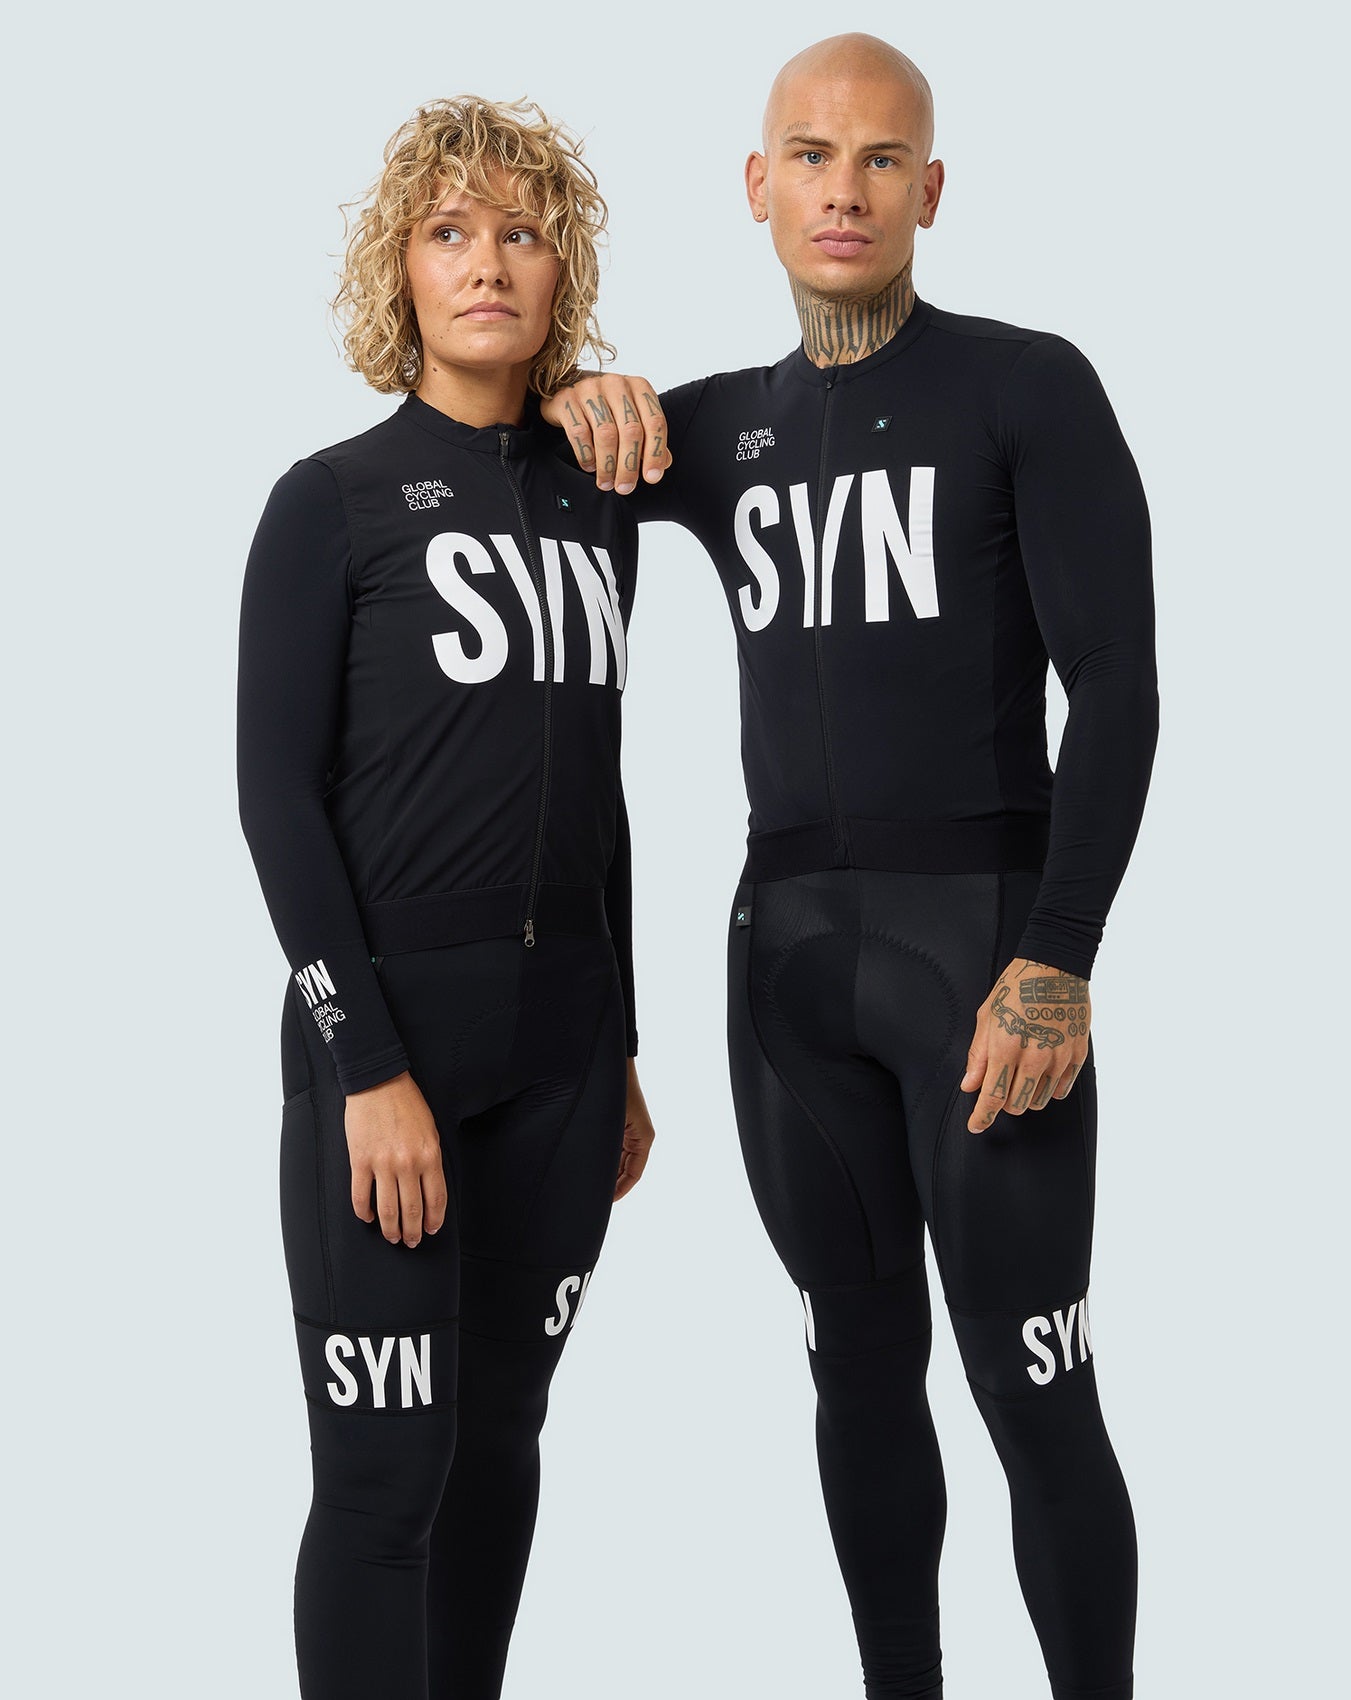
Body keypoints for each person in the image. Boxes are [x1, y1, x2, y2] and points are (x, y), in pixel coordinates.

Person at [543, 34, 1156, 1700]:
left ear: (930, 191)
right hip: (789, 969)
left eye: (883, 159)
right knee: (860, 1374)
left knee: (1035, 1387)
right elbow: (544, 447)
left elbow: (1118, 688)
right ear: (757, 187)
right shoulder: (718, 428)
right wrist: (584, 388)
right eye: (811, 156)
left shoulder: (1026, 387)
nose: (845, 189)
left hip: (985, 958)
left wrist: (1060, 954)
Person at [237, 97, 655, 1700]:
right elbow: (275, 801)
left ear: (563, 272)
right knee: (382, 1478)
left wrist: (622, 1045)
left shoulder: (603, 498)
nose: (488, 263)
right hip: (391, 1056)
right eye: (450, 232)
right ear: (401, 270)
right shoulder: (330, 501)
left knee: (500, 1444)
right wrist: (365, 1065)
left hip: (564, 1061)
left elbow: (600, 791)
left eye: (523, 232)